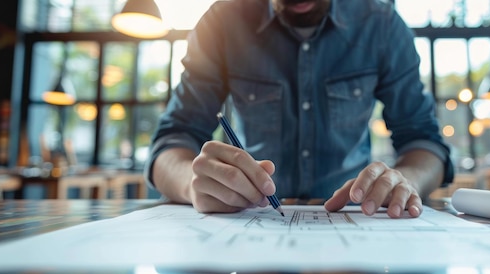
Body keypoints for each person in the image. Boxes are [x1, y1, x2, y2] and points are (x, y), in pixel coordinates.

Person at [145, 0, 454, 219]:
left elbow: (424, 142)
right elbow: (171, 144)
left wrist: (406, 180)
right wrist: (192, 182)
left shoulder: (382, 24)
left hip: (357, 217)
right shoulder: (222, 22)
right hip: (249, 221)